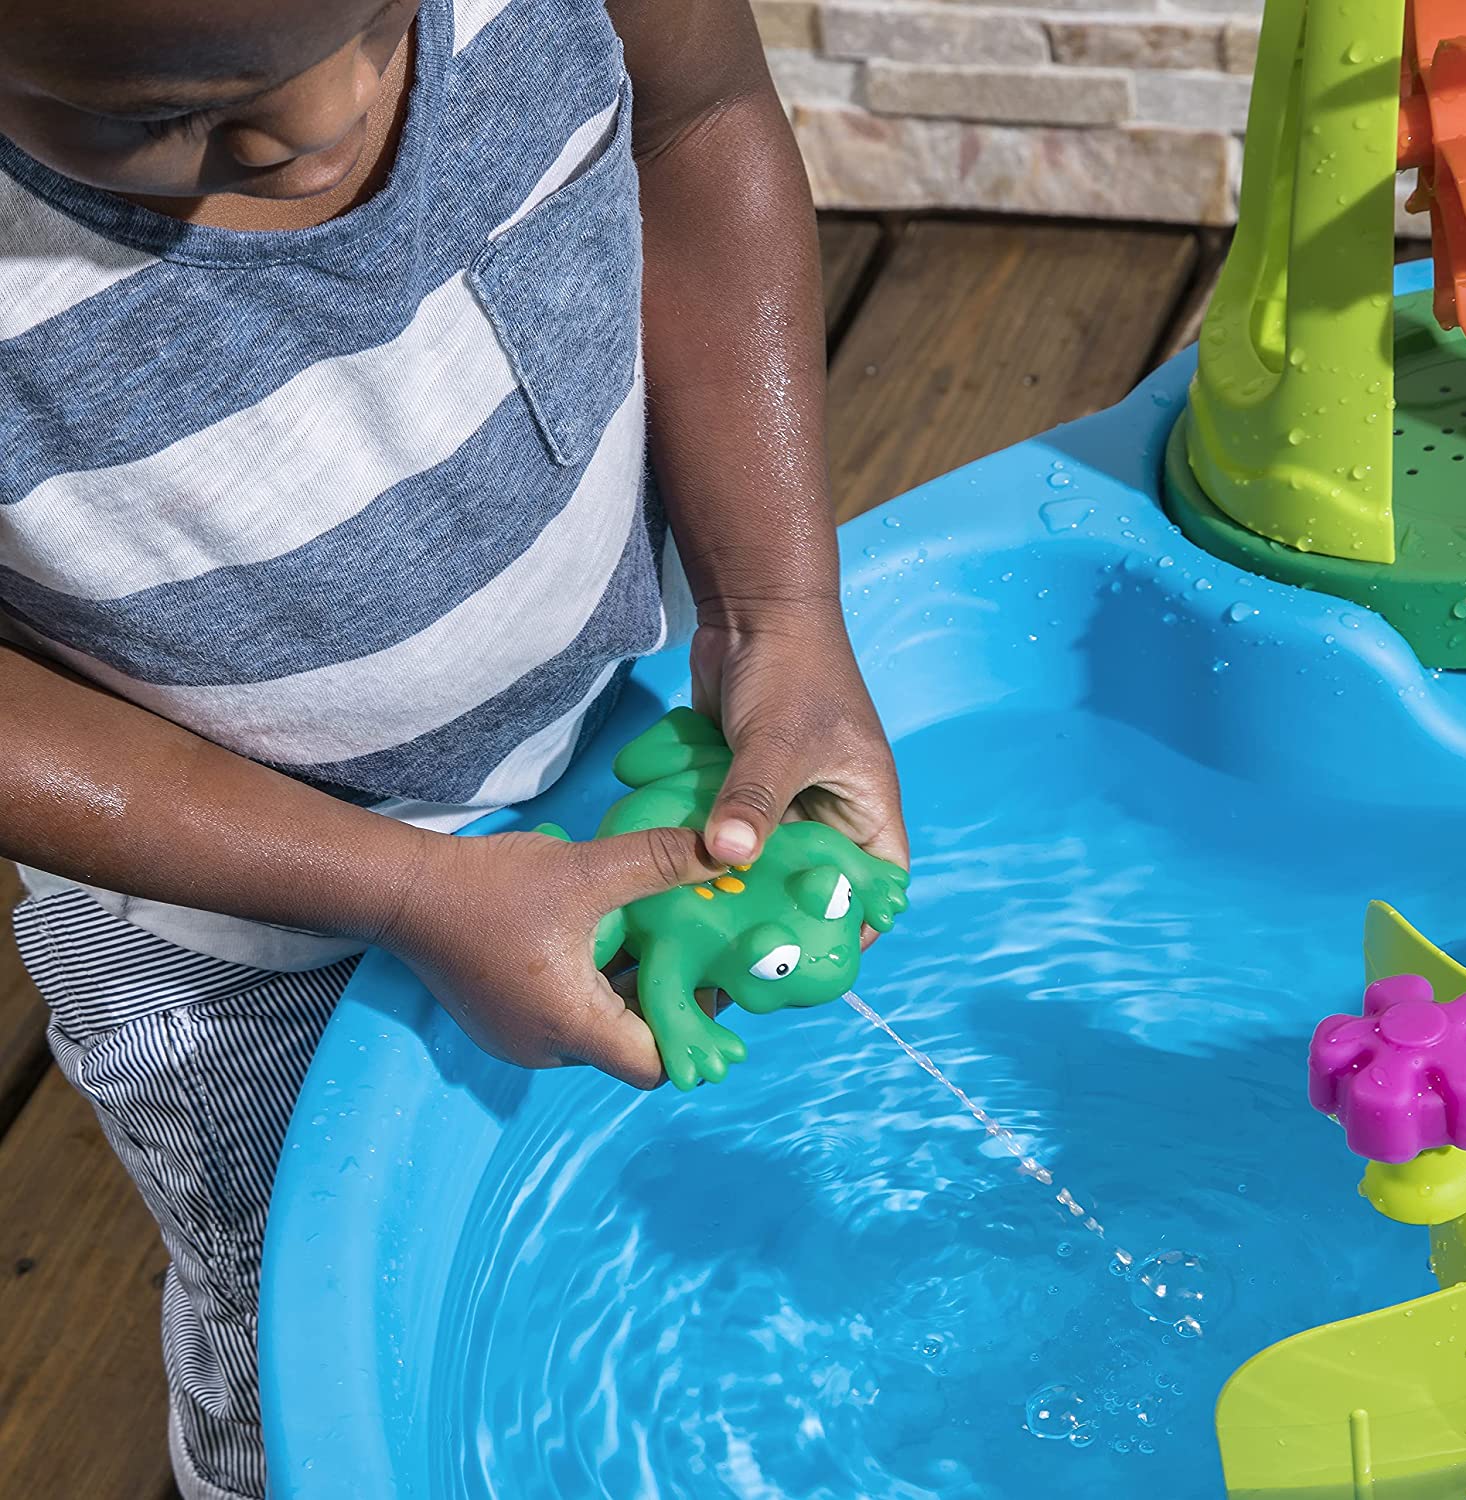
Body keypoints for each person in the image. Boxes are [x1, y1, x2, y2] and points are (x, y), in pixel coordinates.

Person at [0, 0, 907, 1493]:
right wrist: (403, 889)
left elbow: (696, 121)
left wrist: (777, 608)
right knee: (306, 1350)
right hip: (239, 941)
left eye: (381, 21)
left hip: (606, 713)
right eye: (160, 121)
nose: (325, 119)